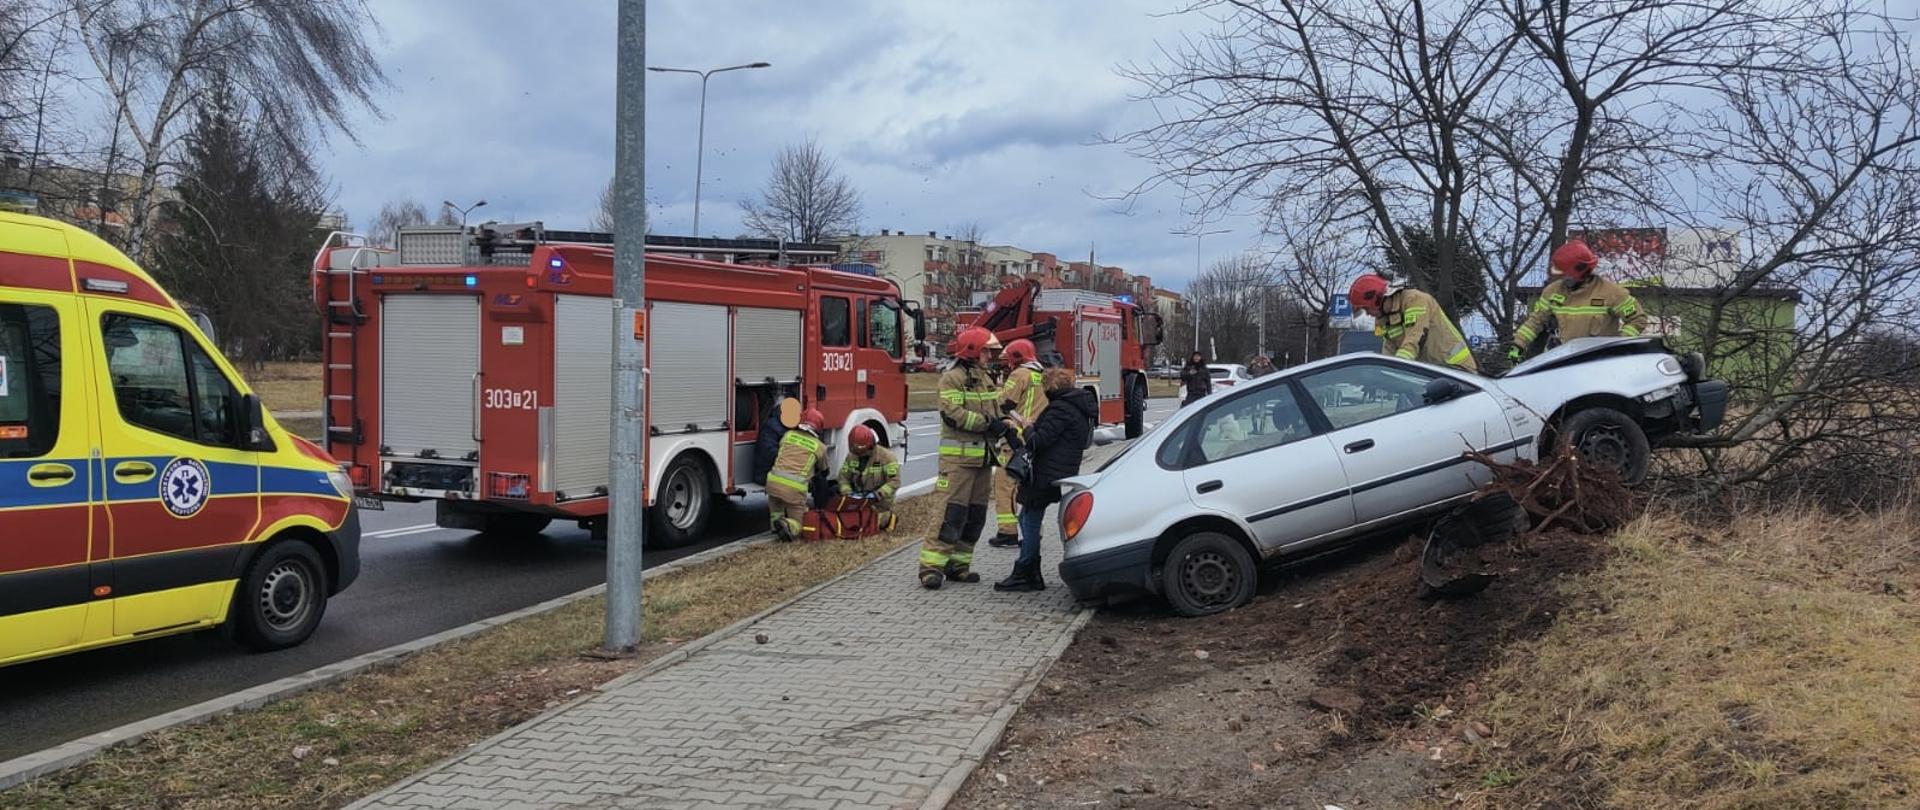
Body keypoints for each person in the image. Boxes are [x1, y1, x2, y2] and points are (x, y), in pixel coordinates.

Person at [995, 368, 1095, 592]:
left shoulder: (1060, 409)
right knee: (1027, 517)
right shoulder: (1078, 408)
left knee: (1029, 519)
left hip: (1045, 471)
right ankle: (1030, 571)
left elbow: (1039, 441)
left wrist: (1028, 426)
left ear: (1052, 389)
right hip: (1060, 468)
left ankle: (1026, 571)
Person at [920, 326, 1005, 589]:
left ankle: (959, 565)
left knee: (975, 516)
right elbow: (953, 414)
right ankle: (931, 567)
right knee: (950, 513)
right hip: (957, 463)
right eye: (986, 352)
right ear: (973, 351)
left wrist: (1008, 423)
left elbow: (997, 408)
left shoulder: (985, 378)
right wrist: (987, 423)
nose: (990, 357)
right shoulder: (952, 378)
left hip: (982, 460)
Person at [1508, 240, 1648, 362]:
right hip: (1558, 360)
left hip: (1597, 362)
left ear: (1581, 272)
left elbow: (1637, 319)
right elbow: (1536, 321)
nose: (1562, 279)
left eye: (1566, 275)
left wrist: (1617, 345)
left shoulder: (1611, 293)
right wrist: (1518, 345)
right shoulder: (1552, 292)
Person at [1347, 274, 1479, 373]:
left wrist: (1399, 367)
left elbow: (1415, 338)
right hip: (1434, 372)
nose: (1368, 314)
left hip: (1458, 370)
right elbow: (1389, 350)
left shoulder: (1414, 300)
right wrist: (1382, 375)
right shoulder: (1384, 320)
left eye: (1366, 308)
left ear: (1377, 300)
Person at [988, 339, 1047, 549]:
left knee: (1005, 485)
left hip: (1015, 438)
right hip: (1034, 437)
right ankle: (1033, 532)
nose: (1006, 364)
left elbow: (1003, 402)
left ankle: (1008, 533)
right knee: (1030, 487)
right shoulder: (1041, 374)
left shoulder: (1019, 375)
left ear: (1016, 357)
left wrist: (994, 389)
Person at [766, 408, 829, 541]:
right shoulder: (820, 447)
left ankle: (775, 528)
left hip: (772, 483)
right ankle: (787, 525)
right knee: (801, 526)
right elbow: (824, 471)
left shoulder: (788, 435)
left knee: (776, 512)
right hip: (793, 490)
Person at [836, 424, 901, 530]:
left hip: (879, 503)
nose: (860, 455)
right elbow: (843, 477)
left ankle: (887, 517)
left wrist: (877, 494)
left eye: (863, 452)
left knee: (867, 525)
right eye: (857, 452)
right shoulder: (852, 456)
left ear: (871, 446)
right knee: (846, 523)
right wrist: (847, 493)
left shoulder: (887, 457)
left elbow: (894, 481)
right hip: (857, 503)